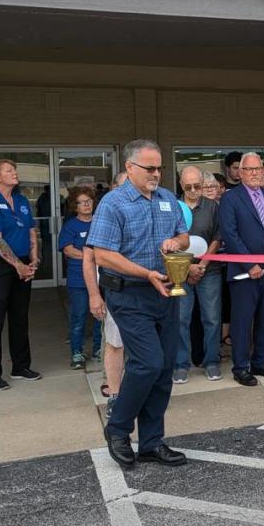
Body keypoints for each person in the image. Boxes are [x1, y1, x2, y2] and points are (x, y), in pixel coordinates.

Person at [87, 139, 190, 468]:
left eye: (159, 167)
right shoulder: (113, 204)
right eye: (149, 168)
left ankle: (151, 442)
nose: (156, 174)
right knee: (147, 362)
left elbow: (184, 236)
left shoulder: (166, 199)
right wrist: (146, 273)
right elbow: (102, 254)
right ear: (130, 167)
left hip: (166, 291)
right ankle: (117, 429)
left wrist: (177, 241)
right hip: (130, 293)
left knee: (163, 369)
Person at [218, 152, 264, 386]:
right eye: (249, 169)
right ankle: (241, 367)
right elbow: (230, 234)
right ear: (240, 172)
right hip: (244, 272)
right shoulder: (231, 198)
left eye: (259, 169)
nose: (255, 173)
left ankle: (260, 362)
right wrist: (251, 264)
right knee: (242, 321)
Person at [0, 159, 42, 390]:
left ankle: (21, 366)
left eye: (15, 170)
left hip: (22, 263)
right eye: (9, 171)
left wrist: (33, 258)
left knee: (19, 317)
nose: (15, 174)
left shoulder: (22, 200)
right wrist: (18, 265)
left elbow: (32, 231)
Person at [173, 166, 224, 383]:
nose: (194, 190)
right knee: (181, 319)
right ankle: (181, 364)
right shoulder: (173, 207)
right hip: (180, 271)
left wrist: (202, 264)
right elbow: (169, 239)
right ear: (181, 184)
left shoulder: (212, 206)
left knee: (211, 318)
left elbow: (218, 238)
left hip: (209, 271)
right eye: (188, 186)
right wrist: (188, 267)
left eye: (197, 186)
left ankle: (211, 362)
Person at [84, 171, 128, 417]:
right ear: (113, 189)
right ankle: (115, 395)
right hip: (115, 290)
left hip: (146, 292)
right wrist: (94, 295)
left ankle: (139, 394)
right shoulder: (104, 216)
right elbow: (89, 260)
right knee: (114, 342)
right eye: (123, 187)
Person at [58, 185, 101, 370]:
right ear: (75, 206)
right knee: (79, 316)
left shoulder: (99, 222)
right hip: (78, 279)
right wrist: (91, 257)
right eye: (82, 202)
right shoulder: (70, 226)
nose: (87, 205)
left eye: (89, 202)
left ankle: (99, 349)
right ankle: (77, 353)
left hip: (101, 278)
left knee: (101, 316)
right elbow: (68, 250)